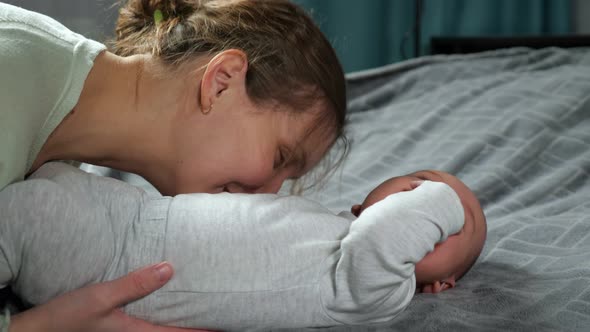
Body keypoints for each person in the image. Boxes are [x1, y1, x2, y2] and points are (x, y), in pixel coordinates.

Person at [0, 0, 346, 330]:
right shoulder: (12, 89)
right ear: (221, 82)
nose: (271, 195)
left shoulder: (59, 154)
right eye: (279, 158)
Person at [0, 162, 487, 331]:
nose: (431, 209)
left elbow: (388, 236)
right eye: (419, 183)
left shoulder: (379, 288)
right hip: (124, 210)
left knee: (20, 220)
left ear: (442, 284)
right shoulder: (333, 225)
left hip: (110, 263)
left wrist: (444, 198)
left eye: (453, 226)